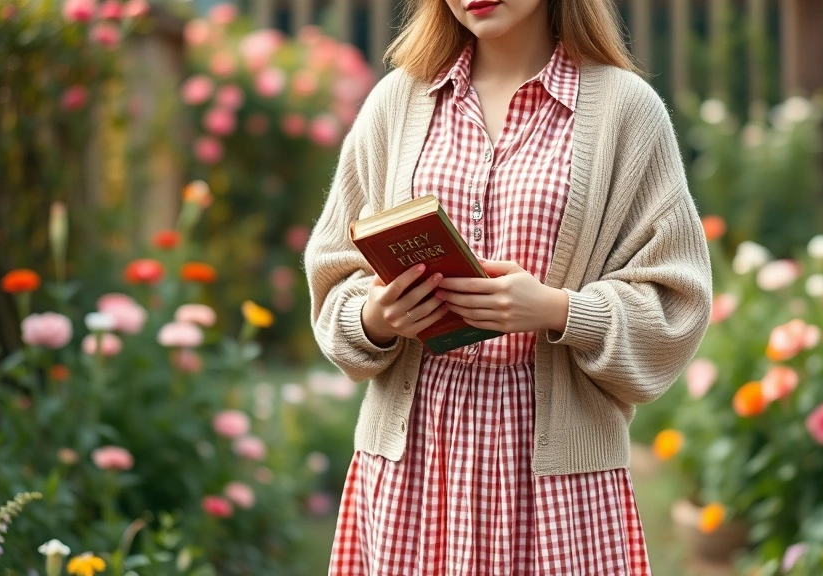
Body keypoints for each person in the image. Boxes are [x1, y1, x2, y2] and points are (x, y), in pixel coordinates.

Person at [303, 0, 713, 573]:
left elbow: (678, 302)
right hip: (413, 464)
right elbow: (334, 272)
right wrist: (375, 317)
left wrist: (558, 309)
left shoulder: (626, 112)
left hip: (557, 480)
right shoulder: (396, 103)